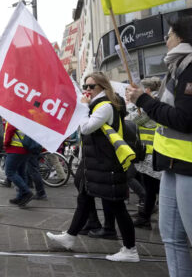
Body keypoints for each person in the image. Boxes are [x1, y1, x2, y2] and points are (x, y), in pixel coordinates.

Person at [47, 72, 139, 262]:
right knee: (84, 198)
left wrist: (81, 107)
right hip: (95, 163)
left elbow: (87, 128)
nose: (87, 90)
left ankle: (130, 250)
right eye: (85, 86)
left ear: (103, 88)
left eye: (91, 86)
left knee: (117, 206)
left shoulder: (104, 106)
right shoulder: (96, 105)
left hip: (106, 164)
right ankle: (70, 237)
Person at [126, 16, 192, 276]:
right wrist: (145, 101)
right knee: (171, 237)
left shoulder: (188, 68)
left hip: (188, 165)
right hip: (171, 163)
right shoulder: (177, 68)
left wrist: (144, 100)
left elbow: (185, 120)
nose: (166, 40)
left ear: (181, 37)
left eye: (169, 35)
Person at [128, 77, 162, 229]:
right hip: (153, 153)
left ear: (147, 90)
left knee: (152, 188)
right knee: (152, 188)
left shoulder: (151, 104)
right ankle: (145, 214)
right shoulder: (158, 101)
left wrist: (138, 103)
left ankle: (145, 217)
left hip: (151, 154)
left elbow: (132, 120)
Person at [3, 122, 34, 207]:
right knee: (21, 173)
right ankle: (20, 197)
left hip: (15, 148)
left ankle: (26, 192)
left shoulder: (13, 115)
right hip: (25, 148)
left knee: (9, 172)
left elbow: (10, 130)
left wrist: (5, 144)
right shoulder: (26, 116)